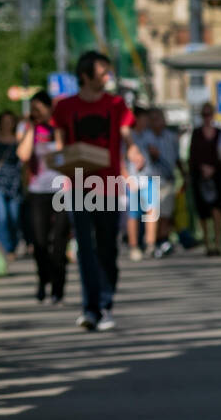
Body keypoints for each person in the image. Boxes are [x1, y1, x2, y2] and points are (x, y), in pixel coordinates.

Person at [52, 50, 137, 332]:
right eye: (102, 73)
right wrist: (59, 160)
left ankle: (105, 303)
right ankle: (92, 308)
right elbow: (60, 144)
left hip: (109, 184)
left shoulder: (116, 104)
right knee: (85, 250)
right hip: (78, 185)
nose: (107, 77)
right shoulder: (65, 107)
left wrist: (134, 150)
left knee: (108, 249)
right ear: (86, 76)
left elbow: (126, 135)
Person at [16, 91, 66, 303]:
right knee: (40, 241)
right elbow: (24, 155)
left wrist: (54, 128)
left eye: (39, 108)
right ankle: (42, 278)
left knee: (60, 241)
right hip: (38, 190)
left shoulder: (59, 127)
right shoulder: (28, 128)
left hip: (62, 189)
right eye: (33, 109)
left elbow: (63, 154)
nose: (36, 113)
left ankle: (58, 286)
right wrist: (33, 127)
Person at [136, 108, 184, 257]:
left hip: (168, 178)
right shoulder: (144, 137)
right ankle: (150, 243)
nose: (156, 121)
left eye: (159, 118)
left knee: (165, 213)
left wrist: (184, 174)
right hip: (150, 178)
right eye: (153, 118)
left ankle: (162, 241)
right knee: (152, 212)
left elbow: (177, 158)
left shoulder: (171, 137)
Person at [188, 102, 221, 256]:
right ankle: (207, 243)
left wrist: (214, 168)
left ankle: (217, 243)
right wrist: (199, 169)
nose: (207, 117)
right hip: (199, 174)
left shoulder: (219, 133)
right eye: (204, 114)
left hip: (216, 174)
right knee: (202, 209)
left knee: (217, 208)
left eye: (209, 113)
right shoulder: (196, 133)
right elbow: (192, 155)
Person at [0, 112, 23, 263]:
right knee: (2, 216)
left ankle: (13, 246)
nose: (7, 124)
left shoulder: (18, 140)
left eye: (10, 121)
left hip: (14, 180)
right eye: (5, 121)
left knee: (14, 216)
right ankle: (5, 249)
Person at [125, 106, 149, 260]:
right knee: (133, 214)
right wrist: (126, 178)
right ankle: (134, 245)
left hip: (148, 177)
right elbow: (121, 158)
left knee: (151, 212)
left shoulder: (148, 135)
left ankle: (149, 244)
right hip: (133, 179)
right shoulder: (128, 135)